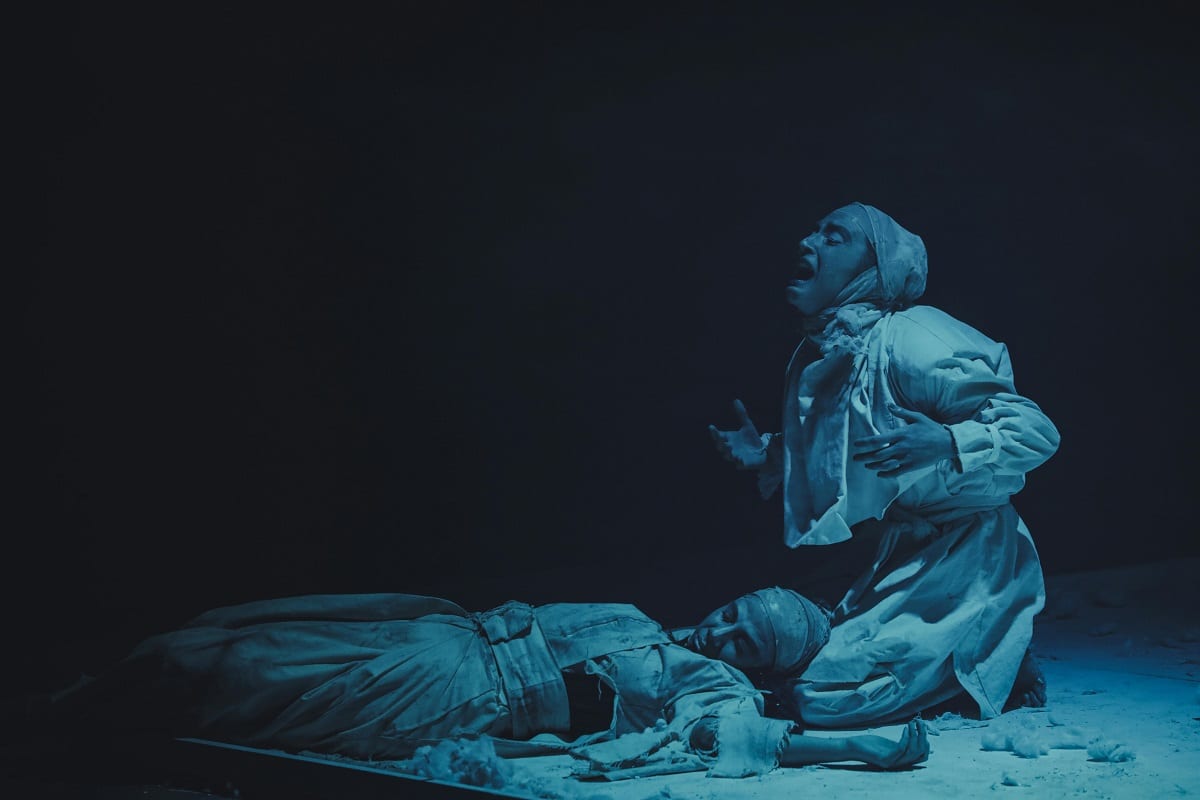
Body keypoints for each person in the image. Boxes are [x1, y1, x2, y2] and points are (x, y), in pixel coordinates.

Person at [709, 202, 1060, 728]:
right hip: (902, 547)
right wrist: (770, 453)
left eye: (834, 237)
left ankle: (993, 651)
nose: (808, 242)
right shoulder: (826, 349)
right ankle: (969, 645)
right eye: (814, 231)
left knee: (823, 695)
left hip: (970, 549)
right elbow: (845, 439)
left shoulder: (916, 338)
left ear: (876, 269)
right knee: (807, 657)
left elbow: (1036, 430)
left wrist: (947, 441)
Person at [28, 587, 929, 781]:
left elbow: (739, 738)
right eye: (732, 613)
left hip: (453, 689)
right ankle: (69, 703)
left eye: (744, 641)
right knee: (226, 633)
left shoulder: (710, 682)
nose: (721, 630)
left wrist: (863, 744)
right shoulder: (646, 623)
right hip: (437, 631)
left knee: (230, 674)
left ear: (757, 666)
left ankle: (57, 730)